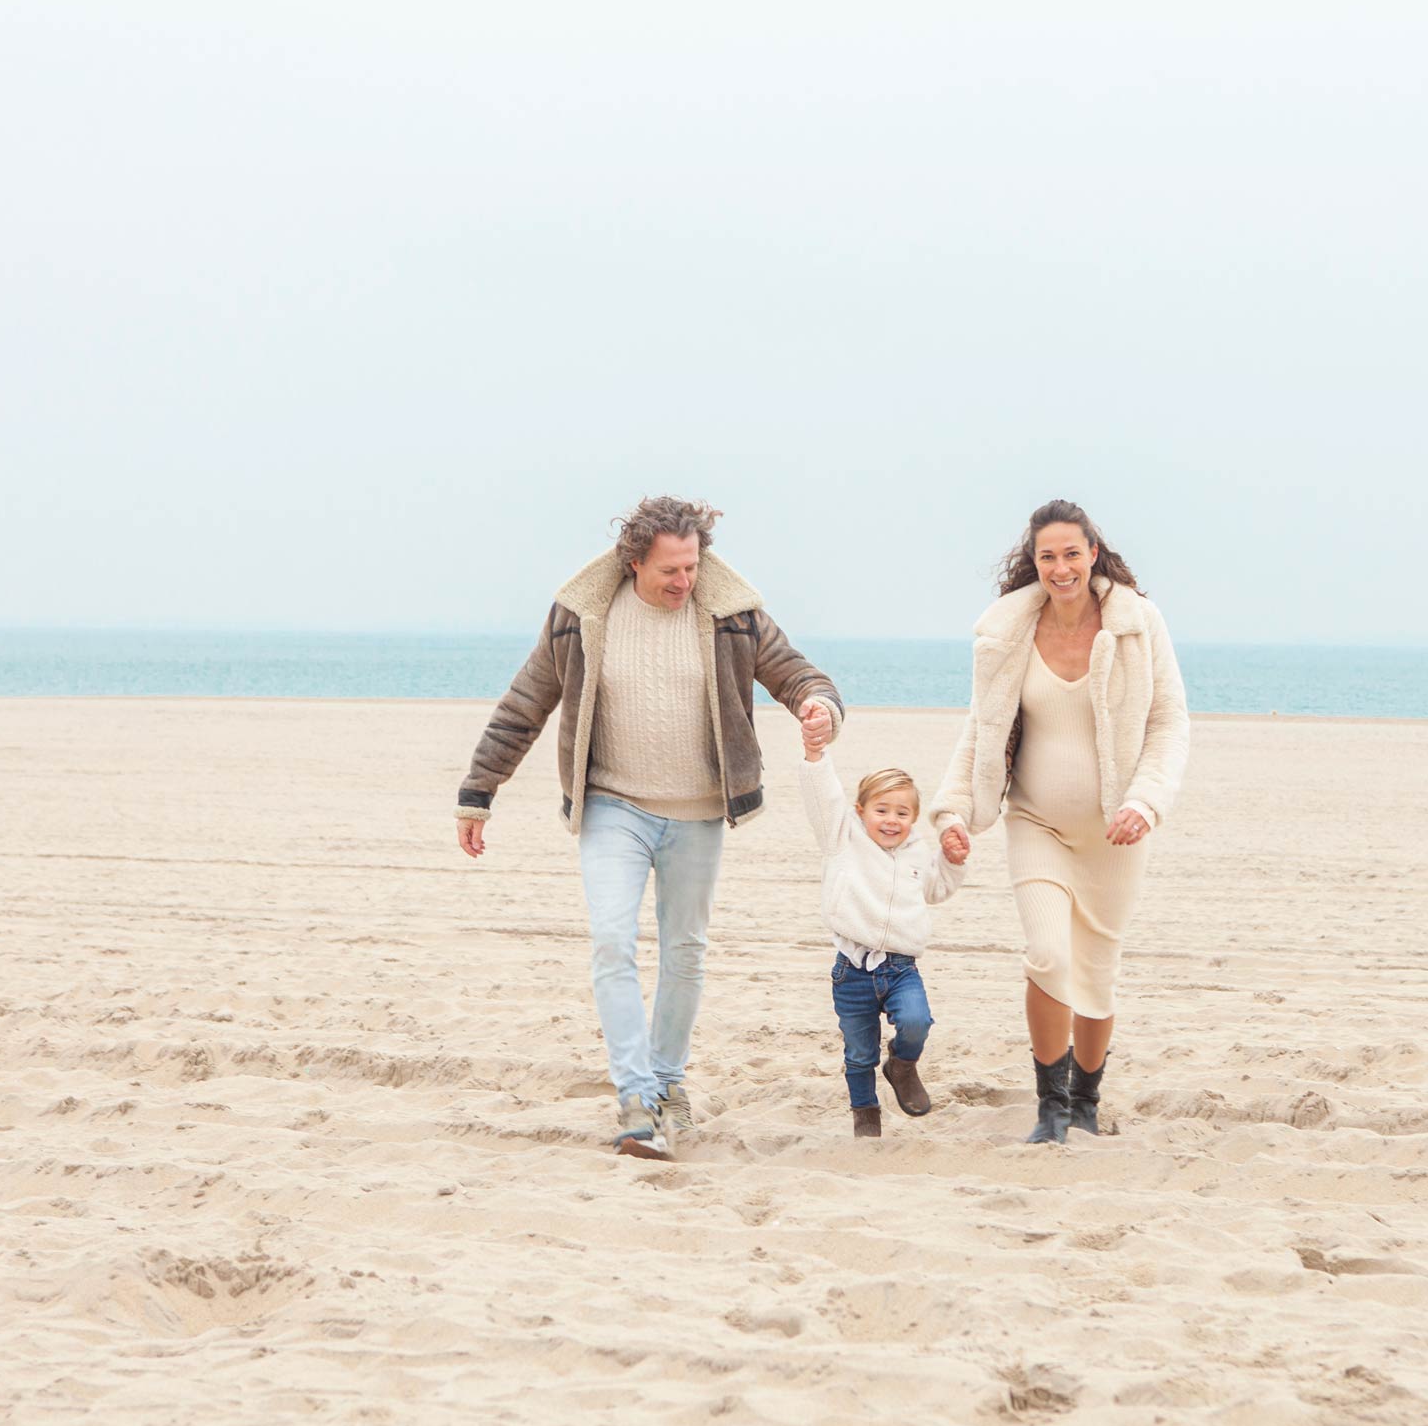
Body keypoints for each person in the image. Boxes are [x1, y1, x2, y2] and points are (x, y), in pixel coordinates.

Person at [454, 497, 844, 1160]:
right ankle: (635, 1095)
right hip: (614, 805)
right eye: (670, 569)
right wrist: (478, 792)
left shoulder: (732, 615)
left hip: (697, 811)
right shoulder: (581, 618)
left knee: (685, 950)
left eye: (692, 566)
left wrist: (818, 704)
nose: (684, 580)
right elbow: (524, 705)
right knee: (612, 940)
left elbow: (795, 670)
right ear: (633, 561)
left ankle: (668, 1085)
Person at [931, 500, 1189, 1144]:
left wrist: (1144, 802)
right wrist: (952, 811)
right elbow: (981, 731)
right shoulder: (1008, 634)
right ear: (1034, 561)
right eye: (1048, 555)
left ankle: (1086, 1103)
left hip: (1115, 833)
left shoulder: (1136, 625)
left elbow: (1168, 724)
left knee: (1097, 970)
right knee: (1048, 954)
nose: (1061, 566)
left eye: (1072, 553)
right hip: (1036, 821)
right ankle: (1050, 1107)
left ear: (1093, 553)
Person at [797, 723, 971, 1138]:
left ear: (913, 818)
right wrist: (815, 754)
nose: (891, 820)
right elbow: (823, 797)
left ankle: (902, 1064)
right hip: (852, 971)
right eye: (881, 810)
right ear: (860, 811)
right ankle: (866, 1116)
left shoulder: (916, 854)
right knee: (859, 1054)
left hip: (900, 968)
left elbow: (938, 889)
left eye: (902, 813)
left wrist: (953, 860)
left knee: (917, 1022)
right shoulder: (842, 839)